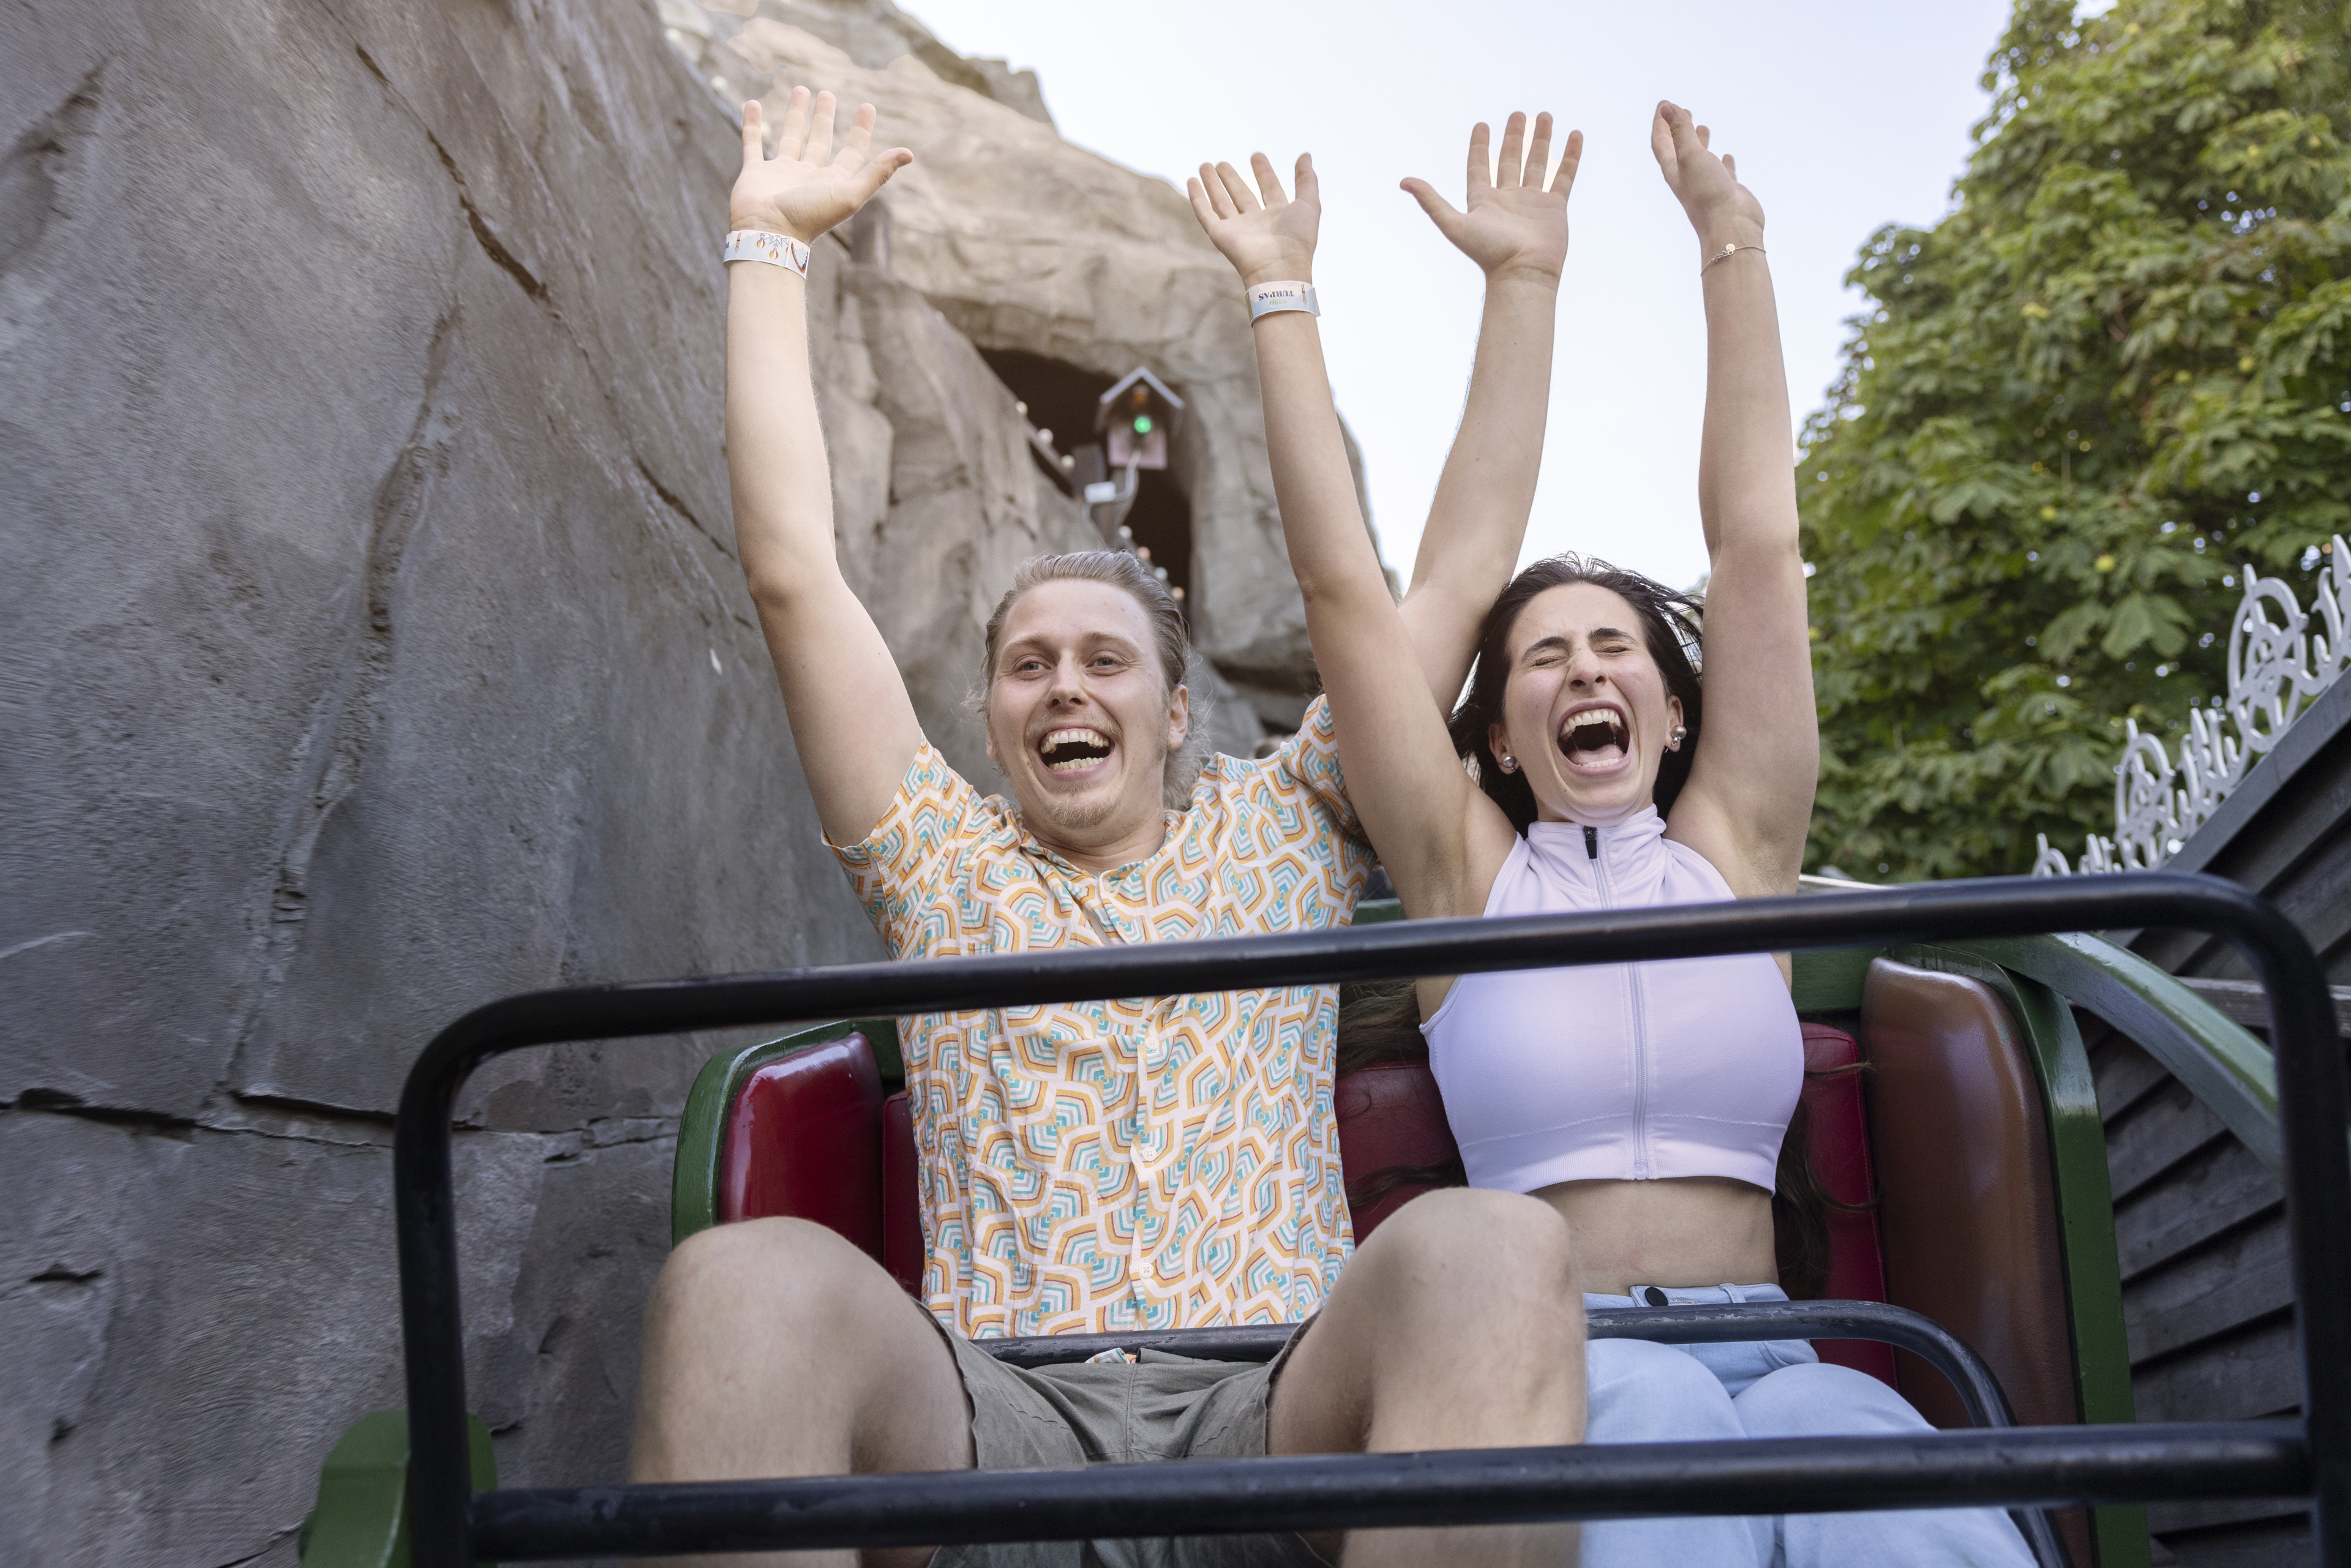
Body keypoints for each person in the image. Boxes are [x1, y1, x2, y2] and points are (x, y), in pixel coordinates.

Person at [628, 88, 1591, 1568]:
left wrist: (1521, 285)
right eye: (1029, 663)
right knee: (737, 1284)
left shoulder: (1294, 823)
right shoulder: (938, 861)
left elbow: (1461, 566)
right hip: (994, 1417)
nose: (1065, 685)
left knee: (1499, 1248)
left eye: (1103, 659)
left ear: (1178, 706)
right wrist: (765, 248)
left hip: (1272, 1401)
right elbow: (795, 578)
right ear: (993, 714)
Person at [1190, 102, 2036, 1567]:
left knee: (1895, 1491)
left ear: (1673, 705)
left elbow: (1758, 539)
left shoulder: (1737, 851)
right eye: (1541, 656)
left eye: (1616, 645)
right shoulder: (1467, 878)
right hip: (1564, 1359)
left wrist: (1732, 242)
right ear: (1502, 735)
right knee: (1660, 1474)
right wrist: (1284, 294)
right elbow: (1345, 596)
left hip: (1795, 1350)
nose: (1585, 667)